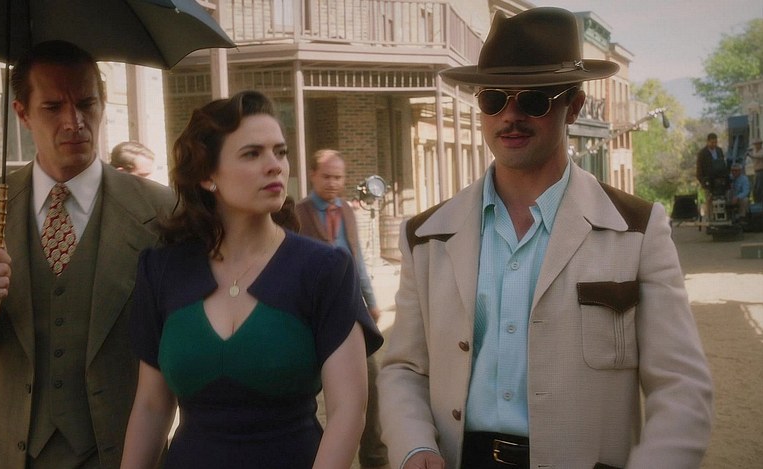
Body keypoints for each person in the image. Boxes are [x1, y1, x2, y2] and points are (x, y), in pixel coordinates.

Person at [377, 7, 713, 469]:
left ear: (573, 106)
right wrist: (415, 446)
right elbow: (404, 369)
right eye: (494, 99)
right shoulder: (426, 237)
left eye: (534, 99)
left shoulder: (637, 229)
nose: (510, 116)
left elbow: (682, 386)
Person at [0, 41, 174, 469]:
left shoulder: (161, 211)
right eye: (53, 107)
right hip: (0, 455)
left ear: (102, 104)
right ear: (21, 113)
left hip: (118, 452)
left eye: (86, 104)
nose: (73, 121)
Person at [120, 90, 383, 469]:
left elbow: (348, 410)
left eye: (280, 152)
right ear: (208, 175)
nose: (275, 166)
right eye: (252, 153)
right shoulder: (162, 270)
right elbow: (151, 405)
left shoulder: (324, 269)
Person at [295, 149, 389, 469]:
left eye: (338, 177)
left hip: (348, 309)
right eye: (326, 176)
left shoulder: (347, 210)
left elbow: (356, 259)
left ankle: (375, 458)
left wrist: (371, 301)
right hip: (308, 313)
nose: (333, 183)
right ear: (313, 175)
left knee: (370, 379)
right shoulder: (298, 213)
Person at [696, 132, 729, 217]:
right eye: (712, 142)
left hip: (719, 180)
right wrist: (702, 181)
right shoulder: (702, 153)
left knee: (721, 198)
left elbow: (723, 164)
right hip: (708, 180)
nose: (714, 144)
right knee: (709, 200)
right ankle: (710, 218)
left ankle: (721, 216)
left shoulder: (719, 150)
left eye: (715, 142)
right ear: (707, 141)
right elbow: (699, 170)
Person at [749, 138, 763, 204]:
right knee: (755, 188)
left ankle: (759, 202)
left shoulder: (761, 151)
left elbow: (758, 156)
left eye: (757, 144)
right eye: (755, 144)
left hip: (761, 171)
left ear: (760, 144)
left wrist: (750, 155)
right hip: (756, 171)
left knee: (759, 188)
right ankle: (756, 202)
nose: (756, 145)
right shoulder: (754, 150)